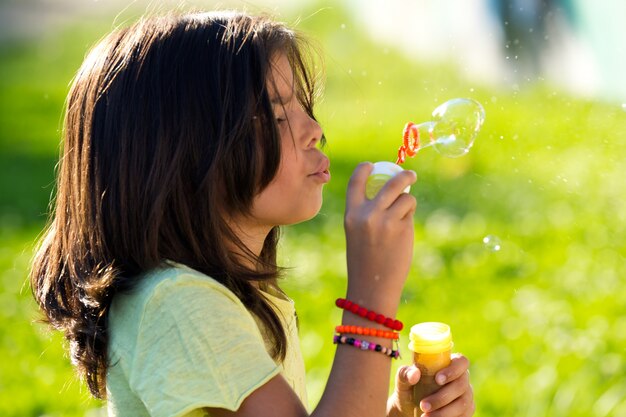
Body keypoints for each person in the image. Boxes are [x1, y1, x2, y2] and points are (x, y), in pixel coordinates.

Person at [30, 11, 474, 417]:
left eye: (304, 107)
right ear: (183, 156)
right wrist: (370, 303)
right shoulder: (180, 306)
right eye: (276, 117)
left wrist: (400, 413)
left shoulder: (220, 296)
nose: (314, 130)